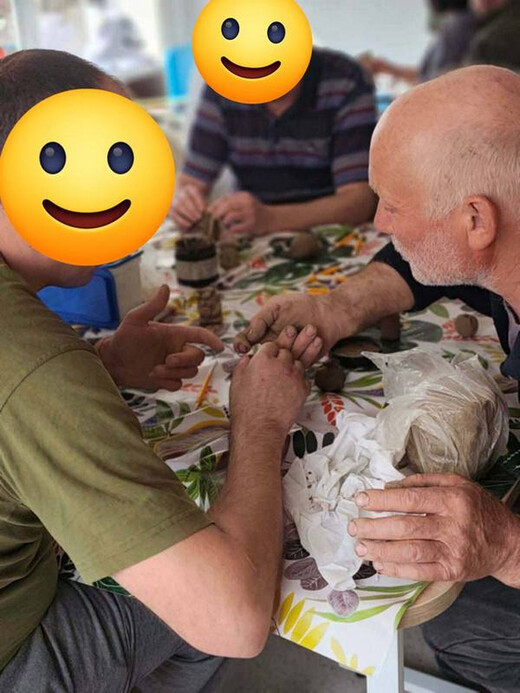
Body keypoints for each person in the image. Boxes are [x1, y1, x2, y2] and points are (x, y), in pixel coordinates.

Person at [0, 49, 319, 692]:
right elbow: (233, 618)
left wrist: (101, 366)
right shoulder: (35, 362)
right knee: (210, 592)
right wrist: (259, 424)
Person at [236, 65, 520, 692]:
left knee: (460, 620)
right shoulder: (503, 239)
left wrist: (505, 545)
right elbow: (422, 262)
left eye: (392, 204)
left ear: (477, 220)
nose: (380, 224)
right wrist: (335, 309)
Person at [171, 47, 377, 236]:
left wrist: (270, 218)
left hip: (333, 233)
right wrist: (185, 202)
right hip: (252, 235)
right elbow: (193, 182)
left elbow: (359, 201)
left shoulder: (346, 79)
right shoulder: (222, 85)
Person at [362, 0, 476, 85]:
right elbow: (426, 76)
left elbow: (436, 83)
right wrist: (390, 69)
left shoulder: (458, 26)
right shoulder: (451, 27)